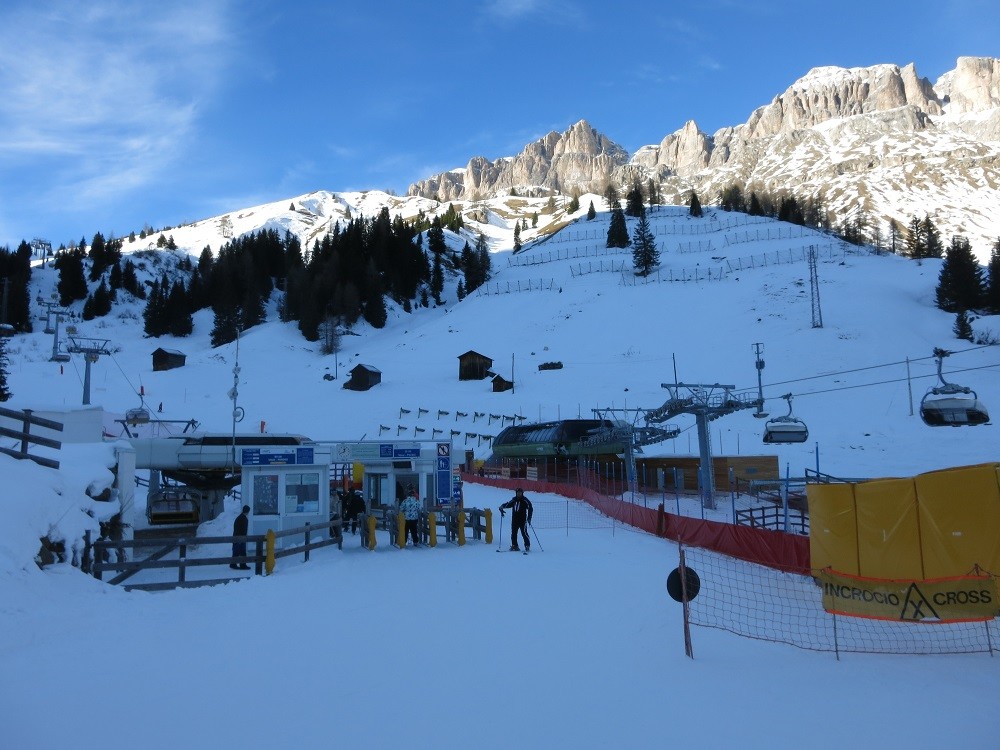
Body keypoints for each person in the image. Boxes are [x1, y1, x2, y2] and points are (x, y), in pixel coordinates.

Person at [499, 487, 533, 552]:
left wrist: (529, 518)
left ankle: (527, 545)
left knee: (524, 533)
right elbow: (508, 504)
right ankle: (514, 545)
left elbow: (530, 508)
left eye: (520, 493)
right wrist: (502, 506)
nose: (519, 494)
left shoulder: (525, 500)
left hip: (523, 520)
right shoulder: (514, 500)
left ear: (522, 493)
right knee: (514, 533)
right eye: (518, 493)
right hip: (514, 520)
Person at [231, 505, 251, 570]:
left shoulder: (239, 518)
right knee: (242, 551)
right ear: (247, 511)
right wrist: (242, 538)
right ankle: (242, 565)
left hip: (236, 537)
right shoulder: (244, 519)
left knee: (236, 551)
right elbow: (243, 530)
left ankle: (233, 564)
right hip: (240, 538)